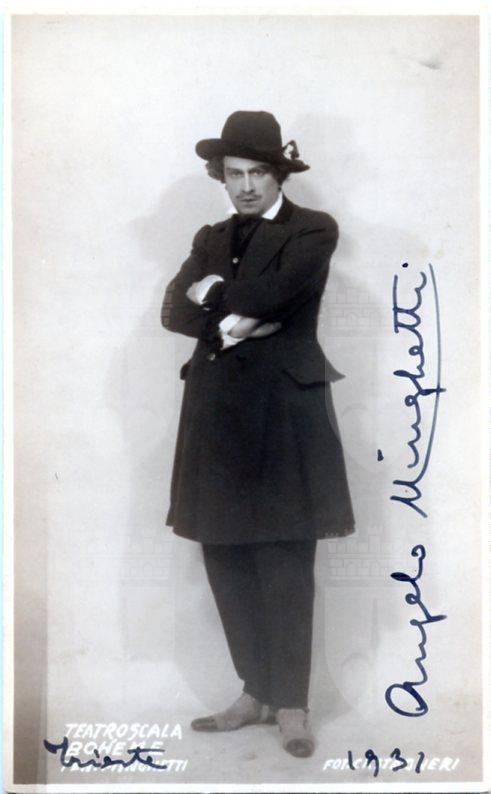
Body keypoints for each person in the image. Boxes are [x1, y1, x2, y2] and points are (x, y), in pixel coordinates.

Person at [161, 110, 355, 758]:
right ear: (221, 176)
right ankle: (255, 691)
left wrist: (213, 295)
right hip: (216, 411)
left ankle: (292, 702)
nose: (245, 186)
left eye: (257, 173)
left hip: (283, 411)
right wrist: (233, 315)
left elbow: (276, 295)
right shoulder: (210, 235)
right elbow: (172, 310)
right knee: (224, 552)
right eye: (234, 174)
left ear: (278, 175)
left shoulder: (313, 229)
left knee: (284, 558)